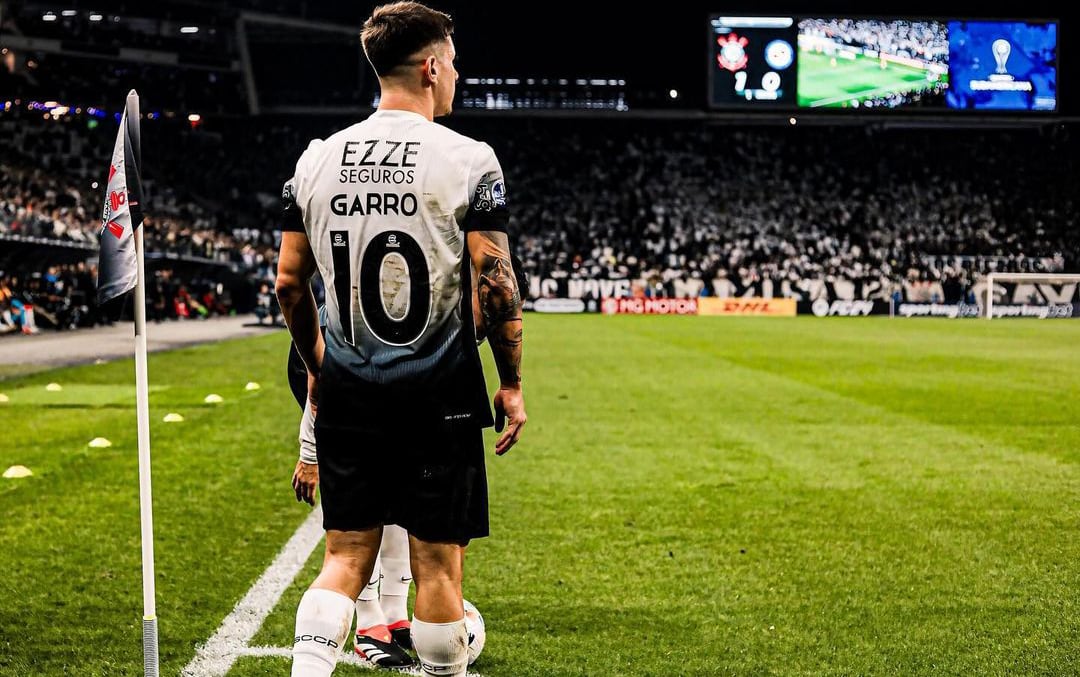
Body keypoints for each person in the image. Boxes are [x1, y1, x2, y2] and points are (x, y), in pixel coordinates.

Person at [275, 3, 527, 676]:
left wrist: (318, 365)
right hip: (438, 392)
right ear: (432, 66)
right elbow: (496, 281)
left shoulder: (316, 161)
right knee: (438, 567)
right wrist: (510, 381)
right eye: (454, 65)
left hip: (351, 389)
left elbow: (289, 285)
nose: (457, 78)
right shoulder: (470, 160)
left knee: (343, 556)